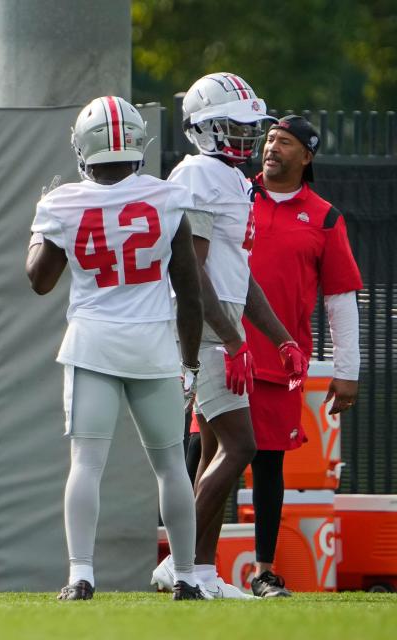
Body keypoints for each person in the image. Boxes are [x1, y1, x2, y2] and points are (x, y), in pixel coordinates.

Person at [27, 96, 207, 601]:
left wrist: (40, 232)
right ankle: (187, 576)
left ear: (83, 149)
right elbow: (189, 291)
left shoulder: (63, 202)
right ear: (136, 143)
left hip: (92, 344)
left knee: (85, 463)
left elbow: (39, 281)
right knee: (171, 465)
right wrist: (189, 362)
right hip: (152, 344)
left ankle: (80, 575)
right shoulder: (167, 197)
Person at [150, 73, 307, 599]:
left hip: (225, 327)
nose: (245, 136)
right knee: (240, 447)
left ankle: (201, 572)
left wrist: (281, 337)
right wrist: (233, 340)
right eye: (232, 126)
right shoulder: (196, 173)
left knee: (219, 448)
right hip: (206, 332)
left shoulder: (234, 180)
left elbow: (240, 274)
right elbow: (191, 275)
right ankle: (178, 561)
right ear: (203, 129)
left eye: (247, 126)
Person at [244, 115, 362, 597]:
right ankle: (192, 567)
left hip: (278, 365)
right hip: (219, 355)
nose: (272, 148)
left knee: (269, 465)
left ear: (306, 156)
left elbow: (340, 297)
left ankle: (263, 571)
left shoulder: (325, 217)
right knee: (196, 456)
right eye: (269, 139)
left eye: (285, 142)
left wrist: (346, 370)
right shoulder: (233, 193)